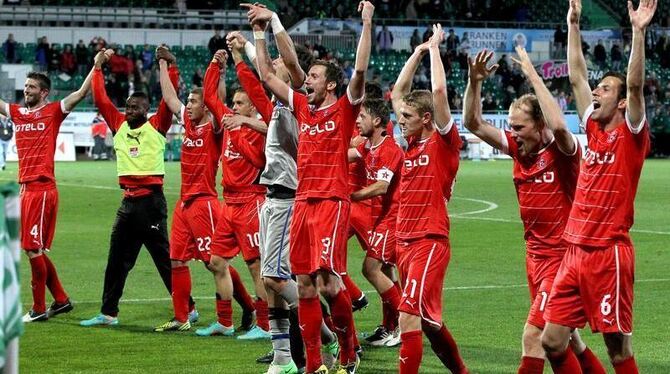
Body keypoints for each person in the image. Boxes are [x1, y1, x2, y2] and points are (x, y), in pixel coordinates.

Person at [463, 47, 606, 374]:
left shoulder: (563, 151)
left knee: (534, 337)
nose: (513, 135)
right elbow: (473, 122)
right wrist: (475, 83)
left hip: (563, 260)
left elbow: (558, 126)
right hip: (535, 258)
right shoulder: (518, 150)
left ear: (538, 123)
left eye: (519, 127)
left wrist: (530, 72)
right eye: (511, 128)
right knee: (567, 341)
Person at [257, 2, 374, 372]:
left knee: (328, 285)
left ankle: (349, 350)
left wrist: (367, 22)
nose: (307, 80)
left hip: (331, 203)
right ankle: (312, 365)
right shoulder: (303, 109)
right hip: (303, 203)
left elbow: (359, 69)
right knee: (305, 284)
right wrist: (260, 32)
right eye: (308, 76)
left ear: (332, 84)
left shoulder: (344, 110)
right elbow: (265, 75)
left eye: (314, 76)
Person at [541, 1, 656, 373]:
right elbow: (576, 76)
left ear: (621, 102)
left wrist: (638, 31)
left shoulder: (631, 135)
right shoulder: (592, 127)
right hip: (574, 252)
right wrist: (572, 24)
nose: (596, 91)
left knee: (617, 347)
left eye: (605, 89)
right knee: (552, 341)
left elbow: (635, 85)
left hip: (609, 253)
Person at [79, 47, 193, 327]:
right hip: (128, 204)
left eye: (135, 108)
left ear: (146, 109)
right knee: (116, 260)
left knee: (165, 261)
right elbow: (101, 98)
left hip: (151, 203)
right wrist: (97, 67)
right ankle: (108, 313)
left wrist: (169, 65)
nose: (129, 111)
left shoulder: (157, 125)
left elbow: (170, 98)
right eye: (128, 107)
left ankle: (187, 309)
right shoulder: (118, 124)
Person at [151, 52, 256, 333]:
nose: (188, 105)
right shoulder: (187, 123)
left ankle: (247, 307)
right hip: (184, 202)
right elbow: (170, 96)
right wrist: (163, 65)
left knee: (214, 262)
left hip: (206, 203)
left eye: (193, 101)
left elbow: (217, 100)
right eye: (188, 101)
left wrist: (220, 72)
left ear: (205, 108)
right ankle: (181, 317)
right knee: (176, 260)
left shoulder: (214, 127)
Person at [390, 24, 466, 374]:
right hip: (404, 242)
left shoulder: (443, 144)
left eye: (406, 117)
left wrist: (435, 49)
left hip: (429, 241)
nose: (399, 121)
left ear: (425, 119)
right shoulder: (411, 145)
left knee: (408, 316)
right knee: (429, 322)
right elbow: (398, 93)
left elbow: (438, 92)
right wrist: (417, 53)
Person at [0, 56, 96, 322]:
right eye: (25, 86)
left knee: (33, 248)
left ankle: (39, 308)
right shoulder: (18, 114)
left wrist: (95, 66)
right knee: (33, 248)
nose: (26, 90)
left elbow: (80, 93)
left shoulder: (53, 111)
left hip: (42, 190)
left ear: (43, 92)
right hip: (25, 190)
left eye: (31, 87)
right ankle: (61, 299)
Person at [196, 49, 270, 340]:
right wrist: (216, 64)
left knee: (256, 266)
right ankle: (225, 322)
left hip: (252, 201)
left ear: (253, 107)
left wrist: (239, 130)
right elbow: (210, 95)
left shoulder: (259, 131)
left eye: (240, 103)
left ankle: (265, 326)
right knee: (216, 261)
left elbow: (258, 162)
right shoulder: (228, 120)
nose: (234, 107)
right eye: (234, 103)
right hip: (229, 204)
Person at [347, 98, 404, 348]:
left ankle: (406, 323)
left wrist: (350, 195)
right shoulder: (368, 146)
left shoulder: (389, 149)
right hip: (379, 218)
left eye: (362, 116)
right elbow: (345, 155)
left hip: (391, 218)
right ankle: (391, 326)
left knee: (371, 269)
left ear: (377, 121)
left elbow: (382, 187)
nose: (357, 120)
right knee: (385, 271)